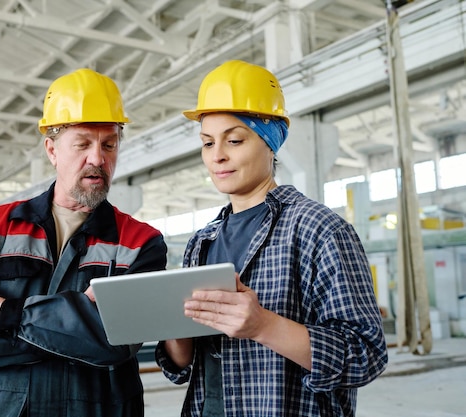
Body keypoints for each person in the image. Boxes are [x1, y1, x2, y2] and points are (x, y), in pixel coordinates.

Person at [0, 68, 167, 417]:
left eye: (109, 144)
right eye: (83, 143)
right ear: (52, 150)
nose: (98, 159)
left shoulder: (140, 242)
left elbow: (117, 344)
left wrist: (0, 310)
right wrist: (77, 326)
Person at [155, 60, 388, 417]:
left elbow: (365, 355)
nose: (217, 155)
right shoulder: (201, 241)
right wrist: (172, 323)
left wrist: (264, 325)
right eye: (206, 143)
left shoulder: (319, 229)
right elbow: (183, 364)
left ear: (270, 140)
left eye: (234, 140)